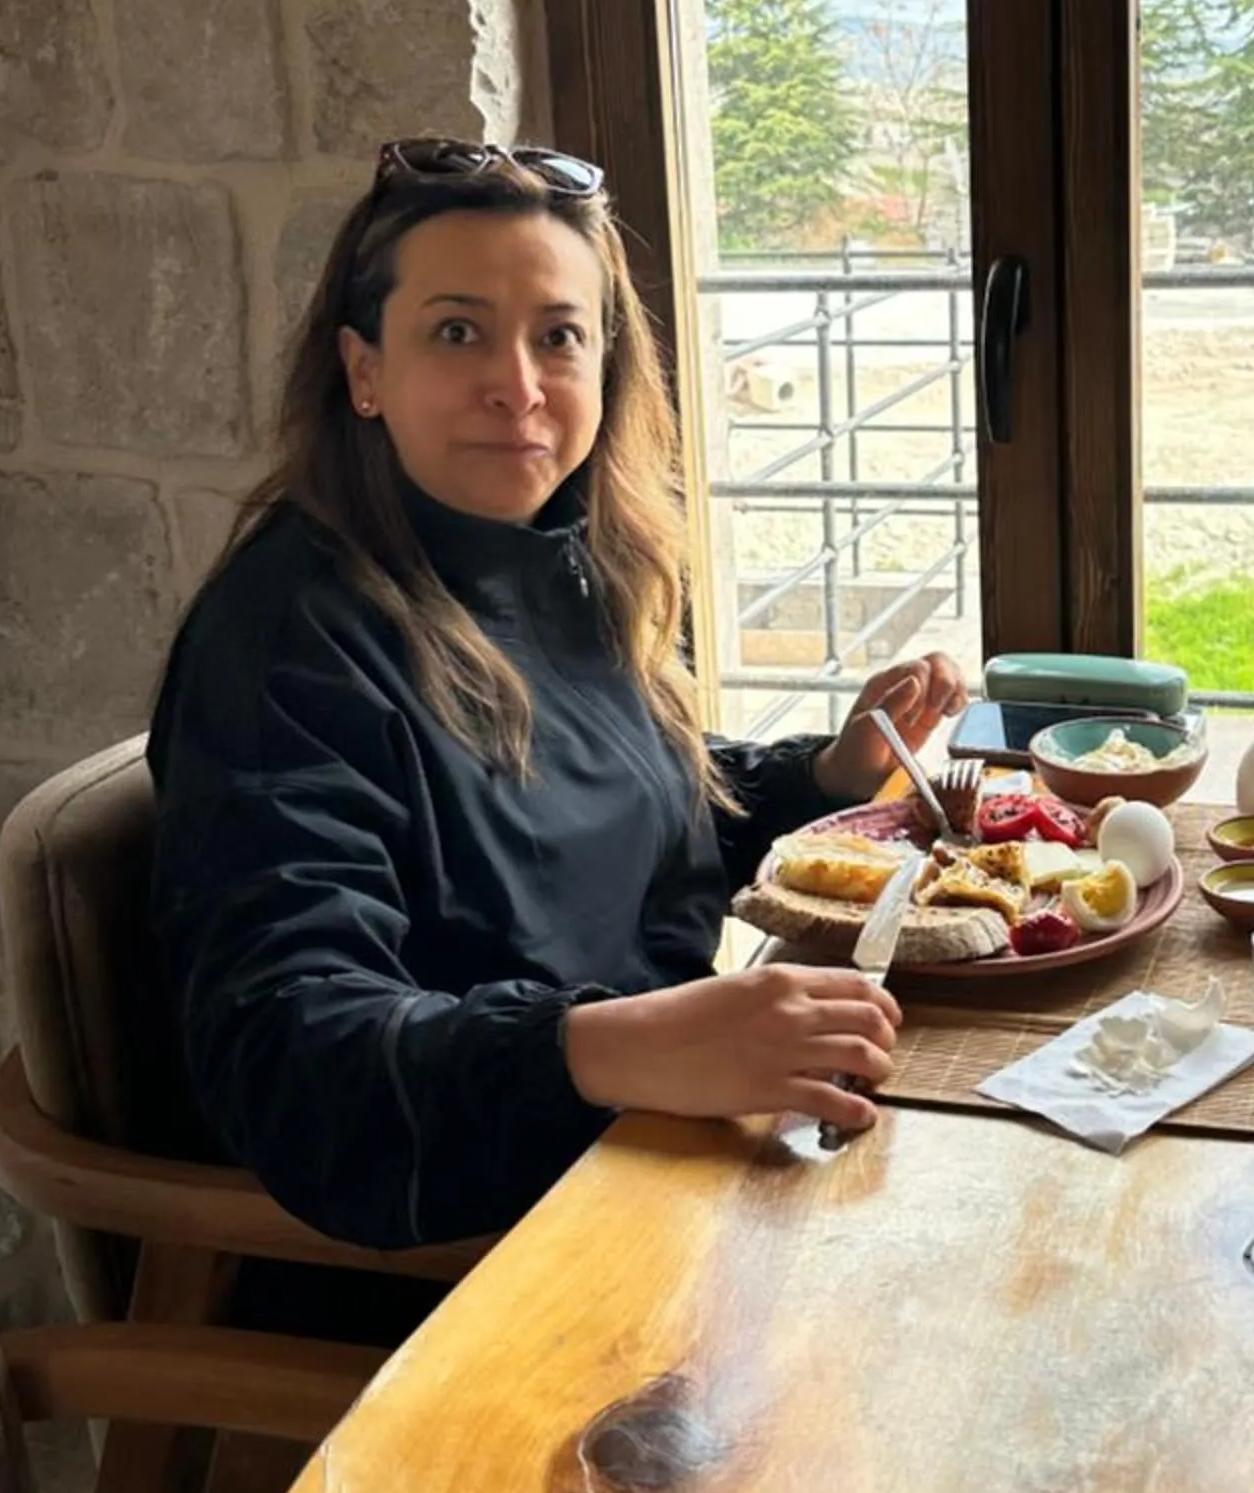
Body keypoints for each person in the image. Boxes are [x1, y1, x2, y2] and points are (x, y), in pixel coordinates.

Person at [148, 138, 965, 1253]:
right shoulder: (284, 645)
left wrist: (823, 778)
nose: (518, 386)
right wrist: (614, 1047)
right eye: (457, 332)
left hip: (660, 1147)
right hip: (477, 1246)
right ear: (362, 370)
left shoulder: (562, 557)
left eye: (558, 337)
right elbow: (293, 1058)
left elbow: (616, 821)